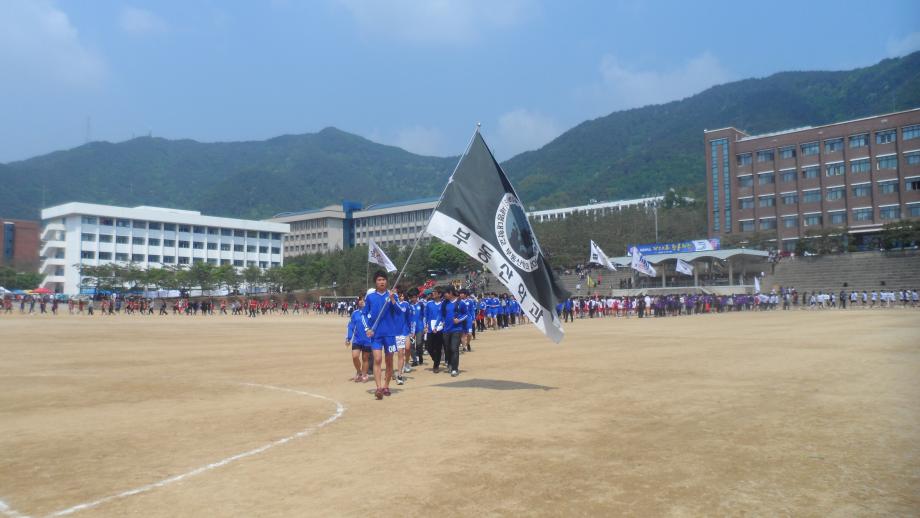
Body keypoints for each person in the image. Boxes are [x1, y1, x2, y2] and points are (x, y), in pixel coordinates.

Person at [363, 270, 405, 400]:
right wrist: (367, 329)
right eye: (379, 280)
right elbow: (364, 314)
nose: (381, 282)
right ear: (375, 282)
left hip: (390, 334)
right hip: (376, 334)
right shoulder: (370, 297)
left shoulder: (392, 295)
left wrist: (392, 299)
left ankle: (386, 386)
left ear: (387, 281)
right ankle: (378, 387)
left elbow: (400, 311)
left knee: (389, 360)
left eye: (383, 280)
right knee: (377, 359)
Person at [442, 287, 467, 377]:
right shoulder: (445, 303)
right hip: (446, 329)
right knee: (447, 348)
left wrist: (459, 320)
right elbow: (442, 314)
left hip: (457, 329)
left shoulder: (461, 303)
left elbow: (466, 314)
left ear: (450, 292)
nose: (444, 295)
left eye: (445, 293)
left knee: (454, 348)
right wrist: (443, 321)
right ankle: (449, 363)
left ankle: (454, 369)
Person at [346, 295, 371, 383]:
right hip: (357, 339)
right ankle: (359, 371)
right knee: (355, 356)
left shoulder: (370, 313)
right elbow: (351, 326)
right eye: (360, 300)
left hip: (367, 339)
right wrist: (348, 338)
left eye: (363, 300)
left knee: (365, 358)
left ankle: (364, 375)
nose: (361, 301)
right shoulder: (355, 313)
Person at [425, 287, 446, 373]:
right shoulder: (429, 304)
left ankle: (436, 365)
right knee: (429, 347)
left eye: (435, 292)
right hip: (430, 328)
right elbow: (426, 315)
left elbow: (445, 315)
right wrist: (426, 325)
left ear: (439, 294)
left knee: (438, 347)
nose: (432, 293)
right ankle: (436, 359)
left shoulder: (444, 304)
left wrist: (443, 323)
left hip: (440, 329)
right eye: (433, 292)